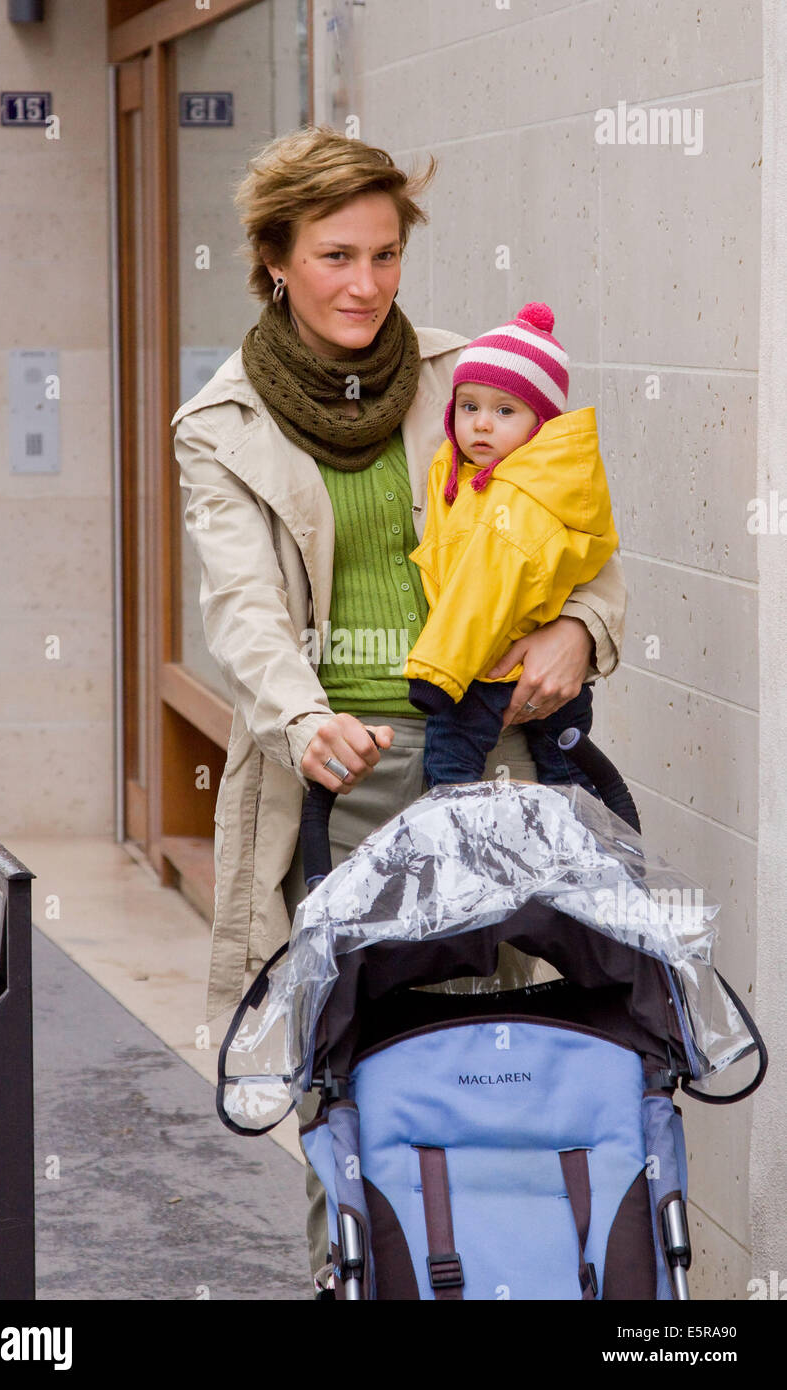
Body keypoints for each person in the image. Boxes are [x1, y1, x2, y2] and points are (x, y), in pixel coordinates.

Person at [171, 125, 627, 1292]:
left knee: (496, 1048)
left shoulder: (473, 377)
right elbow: (244, 612)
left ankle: (501, 1269)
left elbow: (579, 538)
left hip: (489, 769)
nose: (365, 284)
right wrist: (299, 715)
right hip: (331, 776)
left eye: (384, 254)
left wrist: (576, 631)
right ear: (274, 258)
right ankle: (360, 1273)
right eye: (334, 255)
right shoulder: (222, 426)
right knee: (347, 1063)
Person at [404, 303, 619, 798]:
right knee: (570, 791)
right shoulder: (479, 474)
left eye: (504, 411)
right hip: (529, 670)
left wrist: (437, 675)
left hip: (491, 669)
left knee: (449, 777)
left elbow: (479, 595)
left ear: (540, 425)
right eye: (468, 407)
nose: (481, 425)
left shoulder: (516, 501)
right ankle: (586, 860)